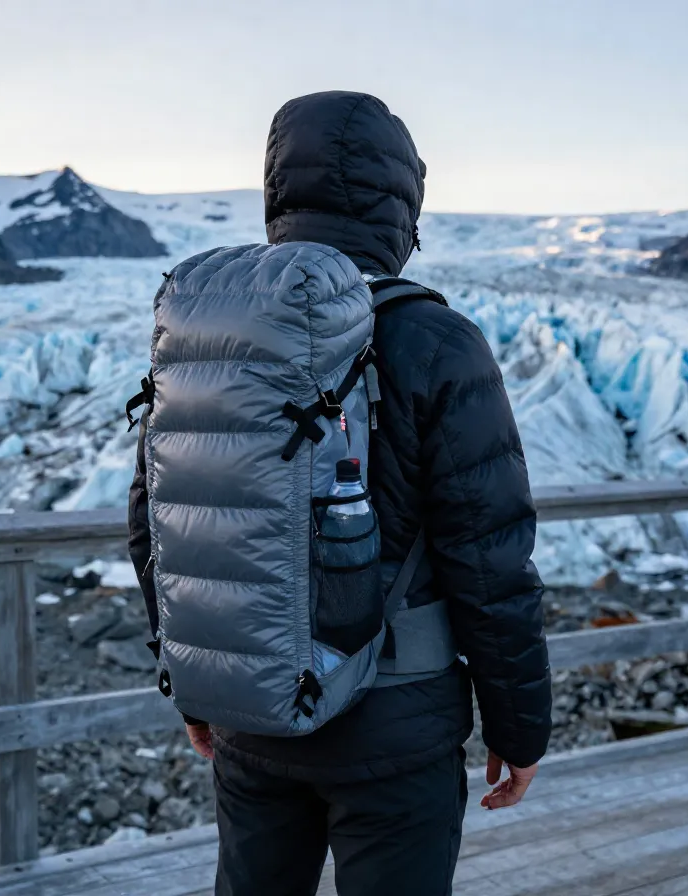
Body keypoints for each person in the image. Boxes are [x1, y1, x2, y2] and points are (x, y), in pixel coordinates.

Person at [129, 90, 551, 896]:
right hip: (398, 724)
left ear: (277, 192)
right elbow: (490, 556)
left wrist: (196, 682)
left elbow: (157, 521)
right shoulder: (435, 340)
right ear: (404, 202)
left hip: (253, 714)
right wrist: (520, 724)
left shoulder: (211, 335)